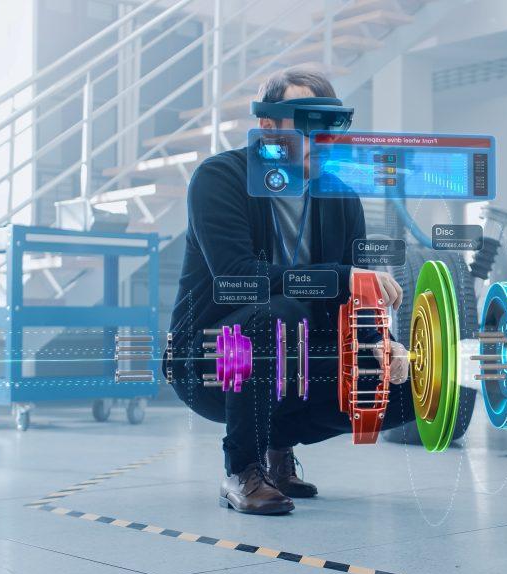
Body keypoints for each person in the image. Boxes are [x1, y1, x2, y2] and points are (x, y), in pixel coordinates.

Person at [166, 65, 412, 515]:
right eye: (306, 123)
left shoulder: (340, 197)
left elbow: (355, 299)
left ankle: (278, 445)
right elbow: (235, 277)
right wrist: (343, 275)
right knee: (279, 313)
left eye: (329, 126)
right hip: (210, 357)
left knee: (409, 388)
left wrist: (385, 345)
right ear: (268, 126)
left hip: (297, 357)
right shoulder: (219, 178)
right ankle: (242, 470)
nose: (321, 139)